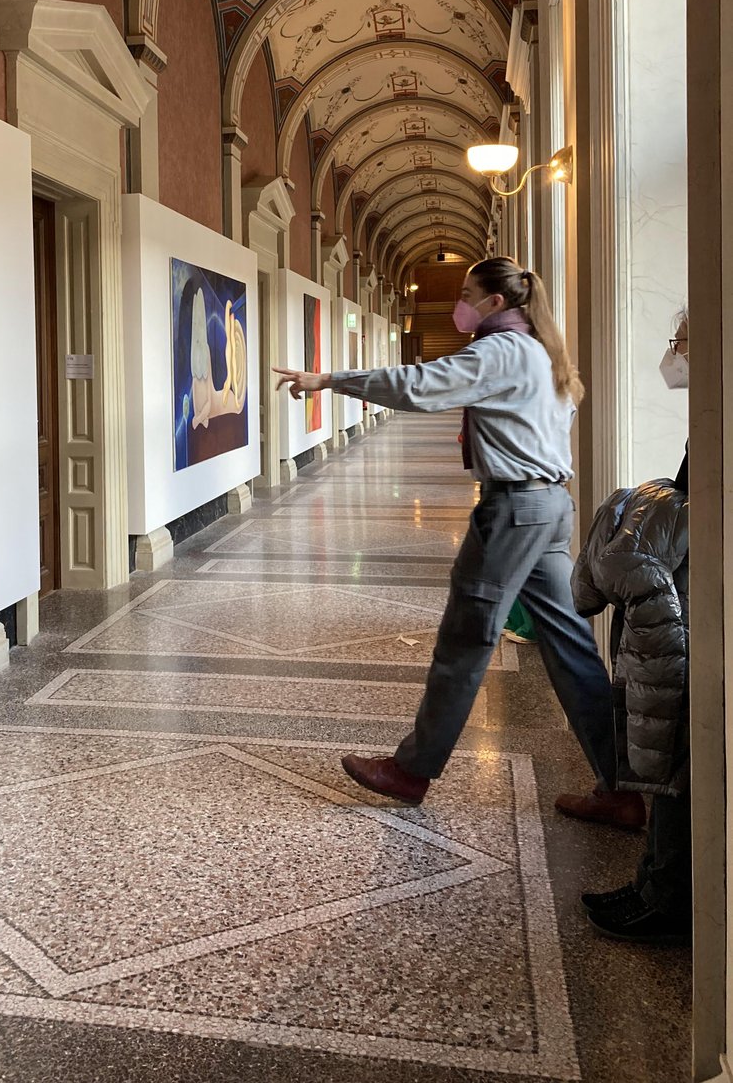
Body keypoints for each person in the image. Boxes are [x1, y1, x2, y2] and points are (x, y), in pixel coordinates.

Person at [273, 255, 643, 825]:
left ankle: (411, 770)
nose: (460, 303)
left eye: (469, 293)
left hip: (515, 508)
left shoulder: (501, 351)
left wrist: (328, 379)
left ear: (497, 302)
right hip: (547, 506)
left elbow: (421, 386)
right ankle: (621, 787)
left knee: (464, 641)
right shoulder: (542, 351)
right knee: (570, 646)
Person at [573, 312, 690, 945]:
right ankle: (658, 880)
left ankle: (665, 891)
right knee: (670, 744)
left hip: (684, 598)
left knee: (675, 743)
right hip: (676, 586)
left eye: (683, 338)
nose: (674, 351)